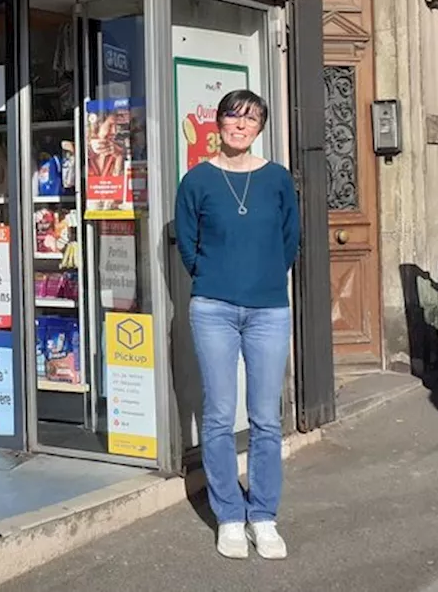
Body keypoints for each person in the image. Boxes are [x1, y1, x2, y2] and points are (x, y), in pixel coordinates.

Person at [175, 89, 300, 560]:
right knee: (220, 414)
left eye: (251, 119)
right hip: (214, 309)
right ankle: (229, 514)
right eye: (233, 116)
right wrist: (213, 277)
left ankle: (263, 515)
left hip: (268, 310)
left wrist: (265, 277)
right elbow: (188, 243)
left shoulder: (277, 179)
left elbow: (291, 238)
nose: (240, 126)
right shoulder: (197, 181)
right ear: (219, 123)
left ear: (260, 127)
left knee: (266, 417)